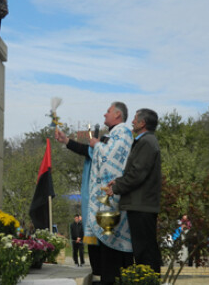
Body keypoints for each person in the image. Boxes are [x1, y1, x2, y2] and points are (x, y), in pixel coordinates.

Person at [55, 101, 134, 285]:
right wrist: (66, 141)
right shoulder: (112, 136)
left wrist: (97, 145)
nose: (104, 115)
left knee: (115, 250)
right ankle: (105, 277)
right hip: (105, 201)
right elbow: (89, 151)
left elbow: (110, 157)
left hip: (115, 200)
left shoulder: (123, 134)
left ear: (118, 115)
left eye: (108, 111)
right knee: (105, 249)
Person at [105, 108, 162, 273]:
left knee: (145, 251)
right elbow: (137, 172)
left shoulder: (146, 142)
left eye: (135, 119)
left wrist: (116, 188)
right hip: (140, 204)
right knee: (144, 249)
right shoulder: (147, 141)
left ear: (142, 123)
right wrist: (119, 181)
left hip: (142, 205)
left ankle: (149, 280)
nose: (132, 122)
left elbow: (138, 174)